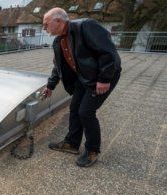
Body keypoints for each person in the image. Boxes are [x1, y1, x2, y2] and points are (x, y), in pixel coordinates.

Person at [42, 7, 121, 167]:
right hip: (83, 78)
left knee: (86, 112)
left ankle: (92, 150)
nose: (44, 28)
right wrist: (50, 86)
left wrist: (104, 79)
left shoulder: (85, 26)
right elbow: (58, 67)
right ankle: (71, 143)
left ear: (58, 21)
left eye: (46, 24)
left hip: (102, 76)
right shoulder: (58, 41)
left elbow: (108, 52)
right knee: (75, 108)